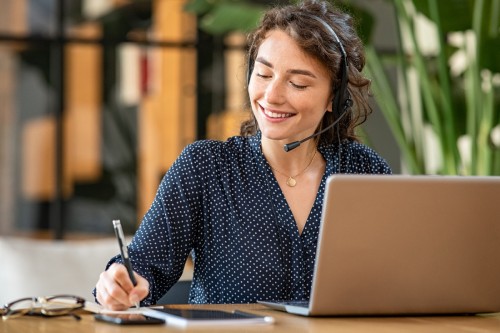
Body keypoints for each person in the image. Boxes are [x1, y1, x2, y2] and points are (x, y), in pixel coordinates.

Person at [94, 0, 391, 310]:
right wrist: (119, 281)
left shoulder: (365, 172)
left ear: (335, 96)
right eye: (263, 75)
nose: (271, 96)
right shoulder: (206, 167)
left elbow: (397, 278)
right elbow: (142, 268)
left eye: (297, 83)